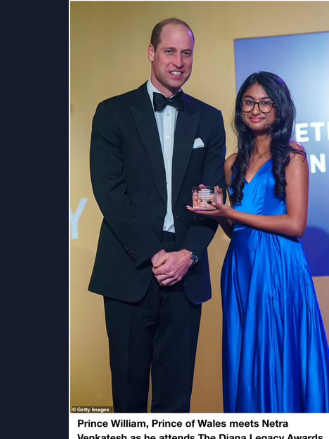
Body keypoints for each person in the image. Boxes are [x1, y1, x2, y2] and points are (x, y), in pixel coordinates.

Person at [88, 18, 226, 413]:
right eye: (170, 51)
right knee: (128, 399)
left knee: (176, 400)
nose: (179, 62)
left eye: (187, 53)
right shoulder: (113, 113)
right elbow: (110, 194)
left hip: (186, 271)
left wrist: (188, 255)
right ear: (151, 53)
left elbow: (210, 197)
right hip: (130, 268)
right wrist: (156, 254)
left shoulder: (209, 119)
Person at [187, 71, 329, 412]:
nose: (256, 110)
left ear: (279, 109)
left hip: (280, 266)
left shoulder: (293, 155)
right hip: (241, 267)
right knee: (248, 356)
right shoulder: (231, 164)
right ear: (240, 108)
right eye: (249, 102)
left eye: (265, 103)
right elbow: (236, 230)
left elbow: (295, 224)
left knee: (280, 350)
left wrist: (231, 212)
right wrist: (219, 213)